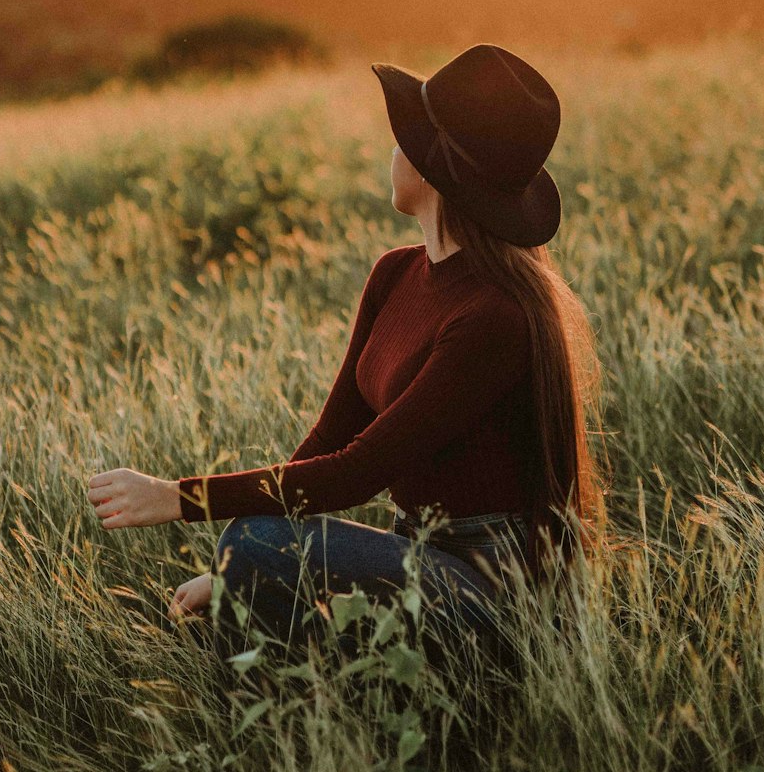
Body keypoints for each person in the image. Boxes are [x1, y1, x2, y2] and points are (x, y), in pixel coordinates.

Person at [86, 43, 608, 669]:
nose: (393, 150)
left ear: (433, 172)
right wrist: (232, 567)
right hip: (416, 552)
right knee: (247, 556)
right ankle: (283, 711)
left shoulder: (493, 318)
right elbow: (330, 440)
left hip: (492, 590)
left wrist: (178, 497)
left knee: (256, 542)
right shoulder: (396, 275)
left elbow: (358, 472)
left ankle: (298, 706)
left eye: (405, 139)